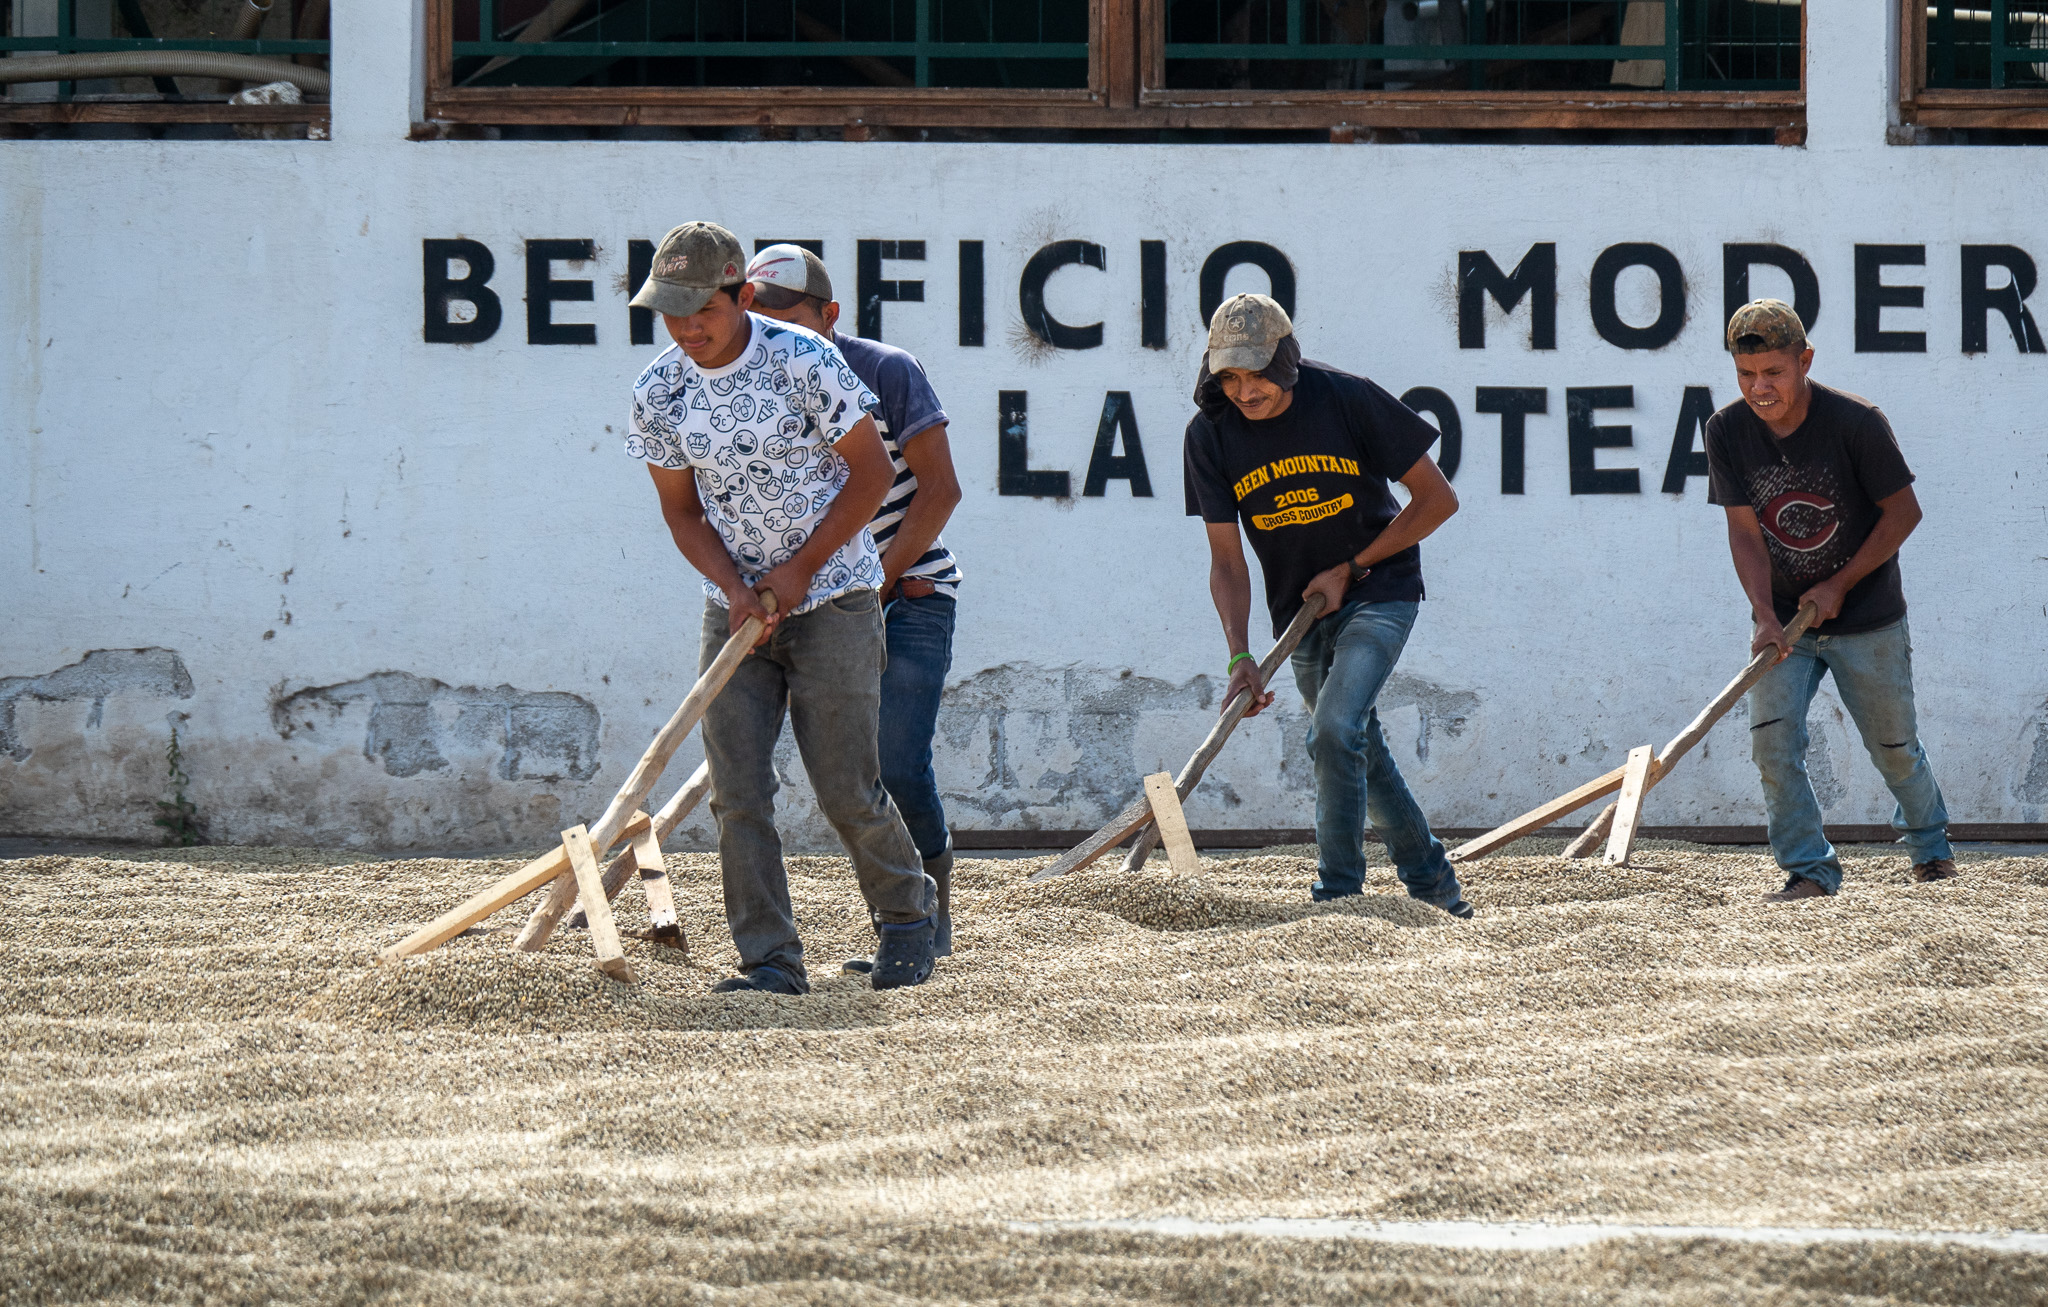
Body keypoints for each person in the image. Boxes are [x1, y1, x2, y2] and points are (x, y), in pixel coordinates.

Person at [624, 221, 939, 993]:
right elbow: (683, 514)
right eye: (672, 312)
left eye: (703, 308)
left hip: (834, 595)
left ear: (743, 293)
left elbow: (868, 478)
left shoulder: (804, 360)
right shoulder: (660, 390)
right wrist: (736, 590)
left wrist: (798, 572)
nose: (688, 327)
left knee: (844, 784)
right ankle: (769, 959)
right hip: (733, 608)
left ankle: (906, 915)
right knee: (738, 791)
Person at [1182, 293, 1472, 918]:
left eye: (1257, 372)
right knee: (1356, 746)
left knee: (1333, 732)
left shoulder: (1348, 398)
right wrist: (1240, 652)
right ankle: (1436, 890)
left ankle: (1337, 894)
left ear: (1286, 359)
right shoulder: (1209, 434)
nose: (1245, 390)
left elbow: (1436, 500)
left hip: (1379, 590)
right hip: (1300, 613)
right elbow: (1227, 562)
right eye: (1228, 376)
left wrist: (1353, 567)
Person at [743, 244, 966, 972]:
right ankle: (896, 920)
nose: (776, 332)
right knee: (849, 769)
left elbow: (939, 491)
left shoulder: (887, 371)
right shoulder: (750, 381)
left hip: (908, 594)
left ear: (831, 316)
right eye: (758, 315)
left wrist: (872, 580)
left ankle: (928, 907)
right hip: (817, 600)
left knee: (897, 760)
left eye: (793, 318)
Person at [1706, 299, 1957, 900]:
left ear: (1805, 360)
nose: (1759, 388)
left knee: (1894, 748)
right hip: (1787, 622)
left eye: (1773, 372)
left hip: (1868, 618)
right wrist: (1766, 615)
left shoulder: (1857, 423)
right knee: (1772, 742)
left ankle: (1929, 846)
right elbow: (1744, 531)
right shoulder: (1726, 431)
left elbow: (1904, 513)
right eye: (1746, 376)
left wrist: (1840, 583)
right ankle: (1809, 870)